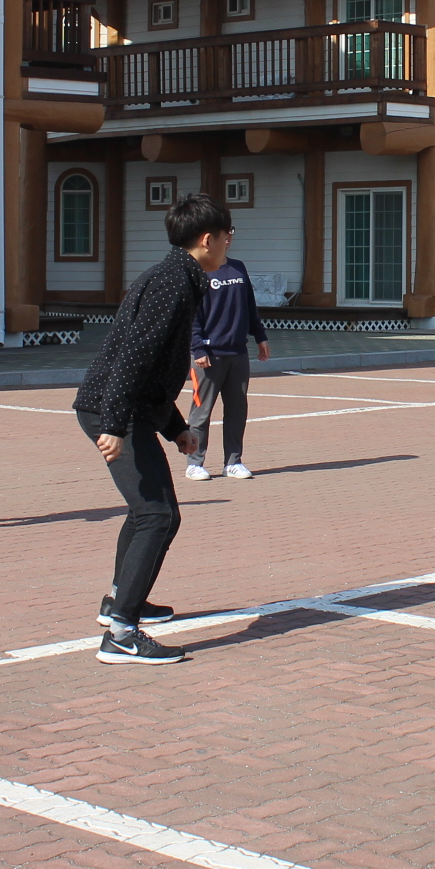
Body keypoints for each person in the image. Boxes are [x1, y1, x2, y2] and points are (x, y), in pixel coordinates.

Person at [74, 193, 228, 665]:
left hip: (126, 409)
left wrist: (176, 427)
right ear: (207, 240)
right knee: (157, 515)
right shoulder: (172, 283)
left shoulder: (178, 277)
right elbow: (133, 358)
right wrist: (114, 425)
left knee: (150, 512)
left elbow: (154, 369)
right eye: (227, 235)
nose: (229, 243)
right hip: (114, 411)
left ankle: (120, 600)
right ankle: (121, 633)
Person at [184, 240, 270, 481]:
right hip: (208, 355)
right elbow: (191, 314)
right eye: (222, 234)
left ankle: (233, 462)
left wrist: (260, 336)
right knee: (201, 411)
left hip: (237, 352)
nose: (227, 239)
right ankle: (195, 463)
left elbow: (249, 305)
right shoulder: (197, 271)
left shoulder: (238, 267)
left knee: (236, 410)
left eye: (230, 233)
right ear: (207, 240)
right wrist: (198, 348)